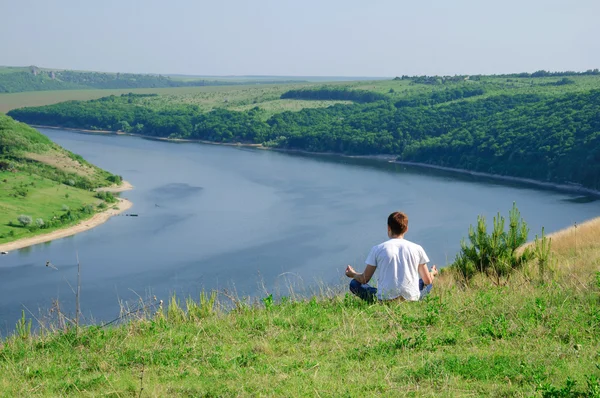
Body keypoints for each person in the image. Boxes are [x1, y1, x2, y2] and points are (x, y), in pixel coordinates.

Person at [345, 211, 438, 302]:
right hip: (411, 300)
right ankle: (413, 298)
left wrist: (352, 274)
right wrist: (432, 272)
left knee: (354, 283)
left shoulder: (377, 249)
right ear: (406, 229)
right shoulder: (417, 248)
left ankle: (382, 299)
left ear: (388, 228)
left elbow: (364, 279)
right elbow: (427, 281)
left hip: (385, 300)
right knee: (427, 283)